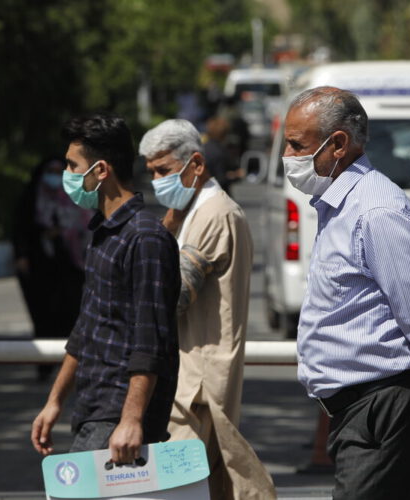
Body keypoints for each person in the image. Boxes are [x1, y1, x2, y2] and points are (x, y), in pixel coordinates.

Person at [285, 87, 410, 500]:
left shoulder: (375, 211)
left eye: (296, 145)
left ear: (337, 144)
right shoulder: (340, 205)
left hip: (380, 406)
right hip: (364, 408)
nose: (287, 157)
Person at [30, 114, 180, 465]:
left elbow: (150, 340)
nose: (66, 175)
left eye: (72, 165)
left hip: (118, 418)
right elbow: (86, 328)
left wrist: (131, 420)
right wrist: (55, 401)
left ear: (101, 171)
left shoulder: (145, 238)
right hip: (94, 408)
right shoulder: (104, 233)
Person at [139, 119, 275, 499]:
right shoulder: (192, 212)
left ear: (196, 164)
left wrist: (160, 236)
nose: (156, 181)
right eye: (151, 172)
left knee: (182, 487)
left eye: (163, 171)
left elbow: (170, 298)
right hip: (188, 376)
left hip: (197, 382)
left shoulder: (214, 214)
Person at [12, 157, 91, 382]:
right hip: (40, 268)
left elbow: (87, 227)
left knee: (70, 314)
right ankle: (45, 365)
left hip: (71, 267)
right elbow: (20, 229)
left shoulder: (76, 196)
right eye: (51, 171)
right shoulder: (31, 198)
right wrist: (22, 256)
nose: (55, 176)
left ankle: (69, 366)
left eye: (60, 171)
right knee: (43, 317)